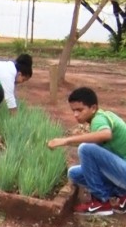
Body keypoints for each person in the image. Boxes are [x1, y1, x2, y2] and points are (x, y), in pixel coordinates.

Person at [47, 87, 126, 216]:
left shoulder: (99, 119)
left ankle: (101, 202)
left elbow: (106, 134)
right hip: (121, 169)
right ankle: (122, 194)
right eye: (73, 110)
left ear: (93, 108)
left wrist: (66, 141)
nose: (75, 114)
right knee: (74, 173)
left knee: (86, 149)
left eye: (80, 110)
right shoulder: (101, 117)